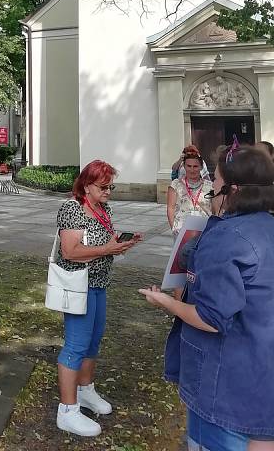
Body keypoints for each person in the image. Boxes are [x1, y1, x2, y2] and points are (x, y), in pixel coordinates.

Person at [139, 145, 274, 451]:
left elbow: (211, 318)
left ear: (233, 190)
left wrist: (166, 302)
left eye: (215, 180)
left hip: (223, 384)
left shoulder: (225, 236)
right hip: (262, 378)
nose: (211, 186)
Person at [54, 160, 141, 437]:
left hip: (99, 283)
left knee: (93, 341)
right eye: (104, 187)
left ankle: (85, 390)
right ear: (87, 185)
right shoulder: (73, 208)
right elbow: (70, 251)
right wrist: (108, 248)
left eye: (111, 186)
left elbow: (103, 242)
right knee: (76, 344)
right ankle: (67, 411)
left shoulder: (102, 208)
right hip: (79, 285)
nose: (109, 191)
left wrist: (119, 245)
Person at [167, 153, 212, 236]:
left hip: (204, 230)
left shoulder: (210, 186)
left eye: (195, 166)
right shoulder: (176, 184)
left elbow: (215, 209)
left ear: (201, 167)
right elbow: (171, 207)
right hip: (181, 230)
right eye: (189, 166)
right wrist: (173, 227)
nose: (192, 169)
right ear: (184, 166)